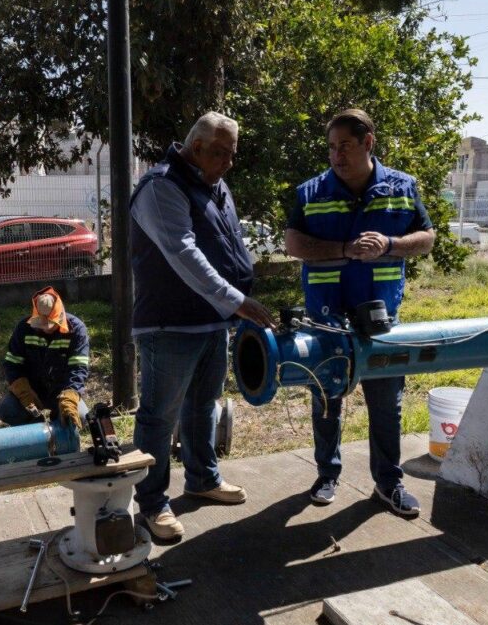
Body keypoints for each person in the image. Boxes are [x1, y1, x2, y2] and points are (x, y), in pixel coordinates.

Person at [130, 111, 277, 541]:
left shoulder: (215, 184)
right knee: (159, 418)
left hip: (212, 322)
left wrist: (231, 305)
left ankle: (202, 479)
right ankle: (152, 504)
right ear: (196, 148)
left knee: (203, 406)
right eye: (221, 153)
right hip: (169, 325)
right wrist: (237, 300)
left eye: (233, 154)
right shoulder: (161, 187)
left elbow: (228, 241)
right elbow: (183, 253)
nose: (229, 162)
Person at [285, 108, 436, 516]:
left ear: (368, 143)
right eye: (332, 148)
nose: (336, 156)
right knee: (326, 395)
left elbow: (427, 239)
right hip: (325, 316)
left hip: (381, 318)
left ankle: (389, 483)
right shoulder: (310, 192)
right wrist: (342, 249)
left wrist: (389, 245)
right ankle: (327, 474)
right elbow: (293, 243)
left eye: (345, 147)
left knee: (387, 400)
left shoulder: (402, 188)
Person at [0, 287, 89, 430]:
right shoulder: (23, 329)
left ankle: (59, 424)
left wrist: (70, 395)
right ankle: (36, 428)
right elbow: (12, 364)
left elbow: (78, 369)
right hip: (33, 392)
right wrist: (23, 391)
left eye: (50, 324)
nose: (46, 328)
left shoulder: (76, 330)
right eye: (42, 323)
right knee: (7, 410)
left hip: (62, 392)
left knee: (81, 417)